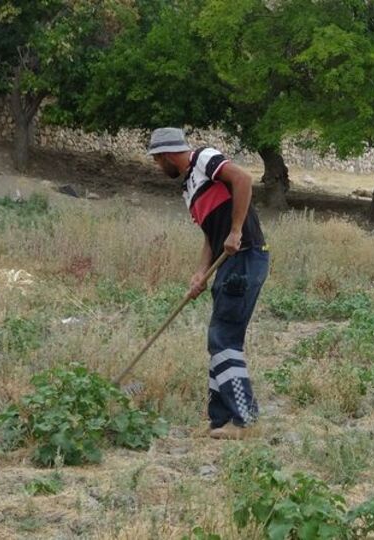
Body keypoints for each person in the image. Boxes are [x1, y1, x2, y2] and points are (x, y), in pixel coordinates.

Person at [147, 127, 269, 439]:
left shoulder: (204, 158)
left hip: (245, 257)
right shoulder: (189, 189)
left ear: (166, 155)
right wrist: (200, 273)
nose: (159, 167)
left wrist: (237, 229)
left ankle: (244, 420)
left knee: (223, 338)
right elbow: (210, 237)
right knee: (219, 339)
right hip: (226, 262)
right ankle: (219, 420)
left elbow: (243, 179)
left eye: (158, 161)